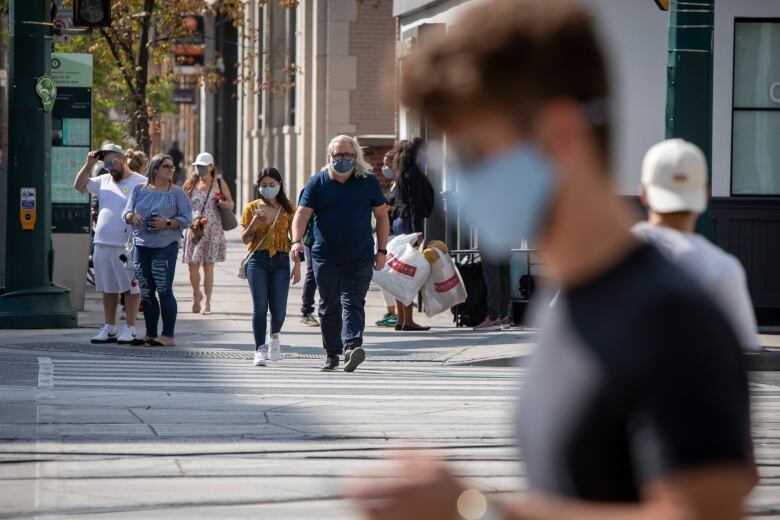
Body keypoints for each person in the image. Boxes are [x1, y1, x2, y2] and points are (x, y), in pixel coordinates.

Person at [349, 1, 756, 519]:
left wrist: (472, 511)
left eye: (474, 152)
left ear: (560, 132)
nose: (463, 181)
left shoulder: (671, 318)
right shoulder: (569, 302)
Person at [634, 138, 761, 352]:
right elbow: (742, 346)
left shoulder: (604, 254)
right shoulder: (724, 269)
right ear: (704, 194)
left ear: (644, 194)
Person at [291, 135, 390, 372]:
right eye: (338, 155)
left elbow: (382, 215)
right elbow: (302, 214)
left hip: (359, 257)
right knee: (329, 306)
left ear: (356, 157)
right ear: (330, 157)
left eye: (347, 155)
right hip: (325, 257)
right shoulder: (318, 182)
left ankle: (351, 347)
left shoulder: (367, 182)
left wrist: (382, 250)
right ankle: (332, 353)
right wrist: (296, 242)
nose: (343, 159)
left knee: (353, 302)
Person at [74, 143, 146, 344]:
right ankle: (110, 327)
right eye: (106, 165)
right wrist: (88, 165)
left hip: (128, 245)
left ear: (123, 159)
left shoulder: (141, 182)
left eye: (112, 162)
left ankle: (130, 328)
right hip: (102, 242)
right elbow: (79, 185)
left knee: (132, 288)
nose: (109, 167)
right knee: (108, 287)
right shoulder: (103, 180)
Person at [122, 154, 192, 347]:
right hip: (141, 245)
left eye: (172, 167)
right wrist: (133, 217)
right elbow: (125, 213)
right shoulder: (139, 190)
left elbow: (187, 218)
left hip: (165, 246)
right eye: (166, 167)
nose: (171, 170)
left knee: (163, 288)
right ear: (155, 169)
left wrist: (167, 222)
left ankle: (168, 335)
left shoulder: (177, 193)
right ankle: (150, 333)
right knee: (146, 290)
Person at [241, 168, 301, 366]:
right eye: (264, 186)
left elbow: (296, 239)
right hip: (257, 260)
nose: (268, 189)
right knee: (259, 308)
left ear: (280, 185)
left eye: (272, 185)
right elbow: (245, 238)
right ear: (258, 187)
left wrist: (298, 266)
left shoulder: (289, 208)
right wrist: (253, 225)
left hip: (282, 261)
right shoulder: (252, 208)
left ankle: (274, 337)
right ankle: (259, 349)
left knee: (279, 308)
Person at [182, 152, 235, 315]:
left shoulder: (219, 182)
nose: (200, 169)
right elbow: (181, 204)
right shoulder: (191, 183)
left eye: (203, 167)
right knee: (192, 267)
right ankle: (196, 294)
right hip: (194, 230)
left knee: (208, 267)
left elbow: (231, 203)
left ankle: (207, 302)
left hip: (213, 231)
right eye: (198, 167)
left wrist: (223, 203)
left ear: (211, 167)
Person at [388, 139, 433, 331]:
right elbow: (415, 204)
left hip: (400, 222)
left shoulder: (401, 173)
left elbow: (390, 199)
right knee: (409, 272)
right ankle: (408, 320)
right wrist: (418, 233)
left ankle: (401, 319)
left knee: (400, 271)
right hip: (408, 224)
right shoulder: (413, 174)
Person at [376, 149, 400, 328]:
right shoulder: (393, 183)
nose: (385, 167)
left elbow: (404, 207)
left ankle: (396, 312)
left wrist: (388, 210)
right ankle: (391, 310)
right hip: (388, 233)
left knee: (390, 274)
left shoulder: (401, 183)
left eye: (387, 163)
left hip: (395, 235)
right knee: (382, 275)